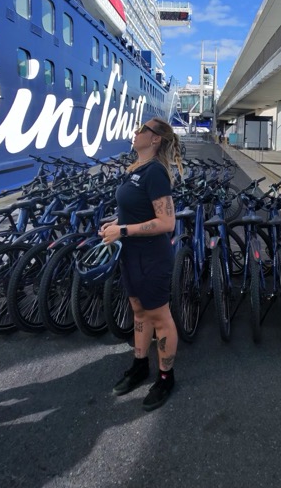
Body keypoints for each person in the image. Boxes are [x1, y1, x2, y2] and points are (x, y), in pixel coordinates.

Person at [99, 118, 183, 412]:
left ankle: (166, 377)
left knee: (159, 316)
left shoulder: (155, 172)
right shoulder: (136, 168)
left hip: (151, 257)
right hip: (131, 254)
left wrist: (122, 230)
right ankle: (139, 365)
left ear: (155, 139)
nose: (135, 133)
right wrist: (117, 222)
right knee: (138, 309)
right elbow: (136, 209)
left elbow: (167, 222)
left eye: (141, 129)